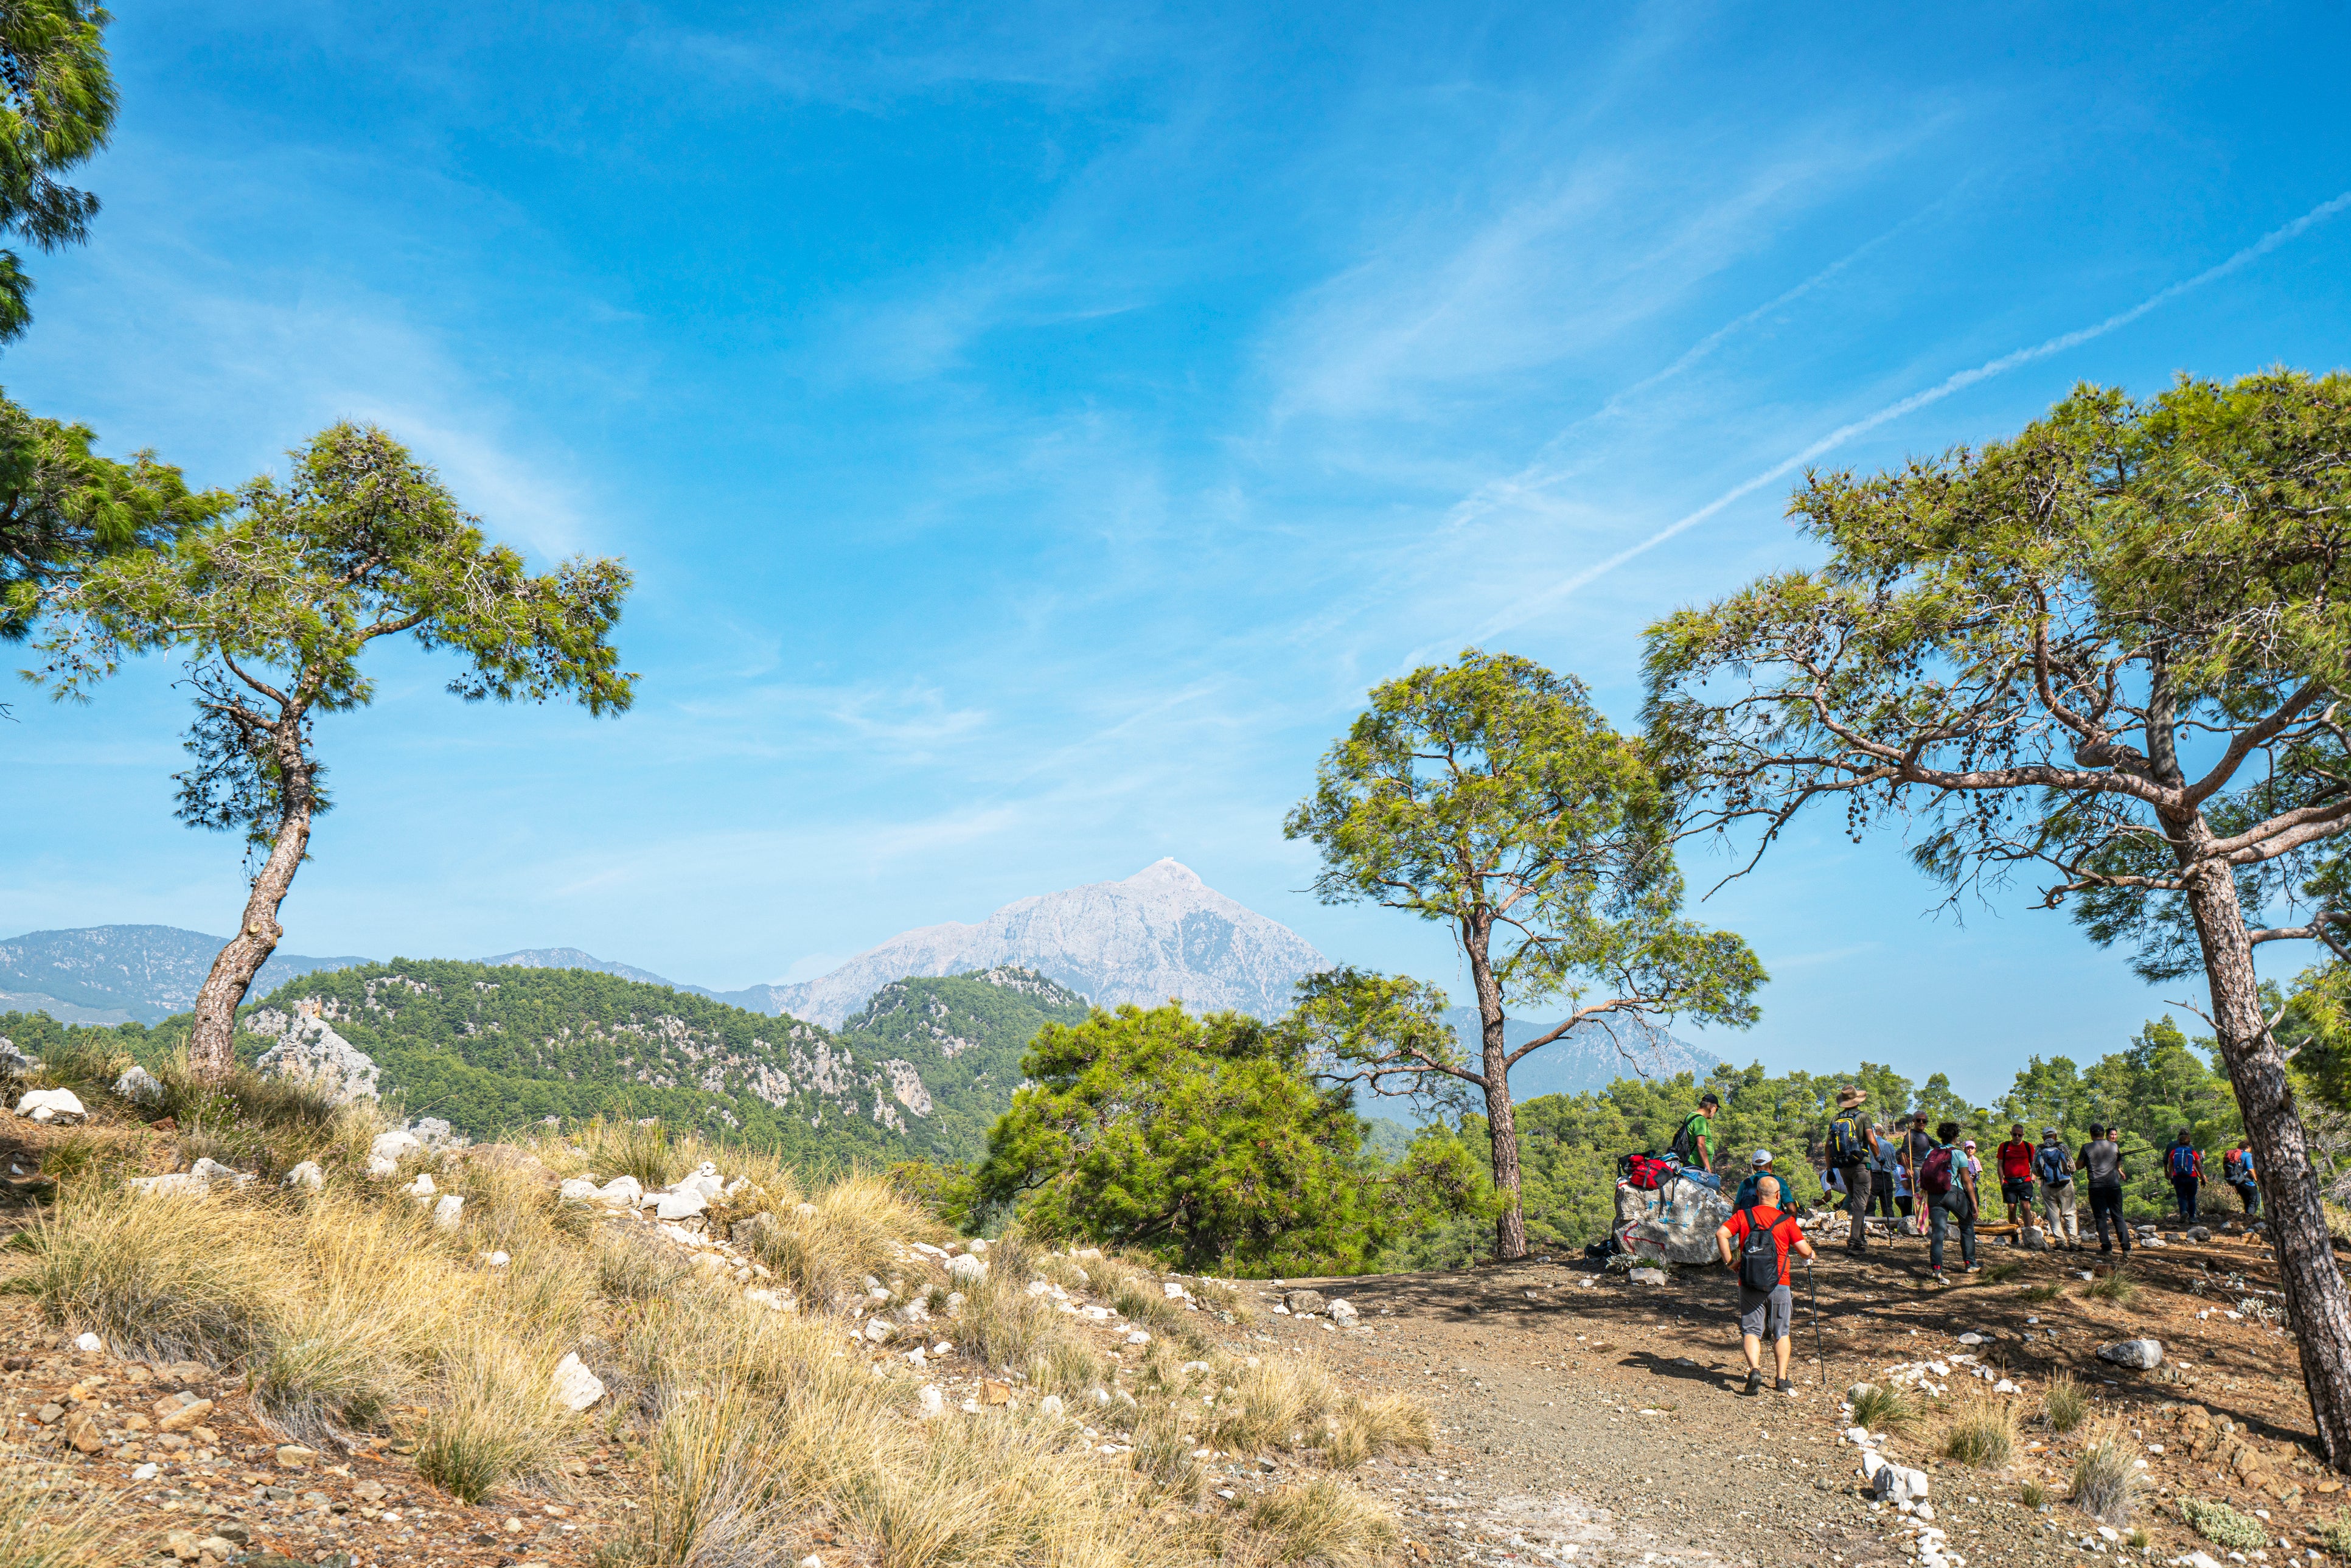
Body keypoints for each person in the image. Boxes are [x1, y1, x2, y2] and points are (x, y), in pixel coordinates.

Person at [1715, 1173, 1815, 1396]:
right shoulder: (1786, 1221)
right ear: (1779, 1196)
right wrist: (1811, 1253)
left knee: (1751, 1329)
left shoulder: (1743, 1216)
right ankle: (1781, 1379)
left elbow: (1721, 1234)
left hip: (1749, 1280)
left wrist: (1731, 1262)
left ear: (1758, 1194)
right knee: (1781, 1331)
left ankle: (1755, 1370)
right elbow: (1804, 1251)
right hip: (1780, 1282)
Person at [1923, 1120, 1979, 1280]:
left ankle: (1937, 1269)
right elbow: (1967, 1181)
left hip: (1935, 1195)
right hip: (1953, 1193)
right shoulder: (1959, 1154)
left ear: (1941, 1136)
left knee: (1938, 1232)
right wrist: (1974, 1203)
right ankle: (1970, 1263)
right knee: (1967, 1225)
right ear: (1955, 1136)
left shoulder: (1931, 1153)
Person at [1827, 1085, 1879, 1253]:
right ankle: (1854, 1242)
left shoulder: (1836, 1118)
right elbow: (1871, 1140)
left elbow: (1827, 1147)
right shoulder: (1863, 1116)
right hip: (1860, 1165)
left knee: (1856, 1202)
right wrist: (1879, 1157)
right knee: (1860, 1205)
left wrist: (1829, 1170)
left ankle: (1860, 1237)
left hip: (1843, 1167)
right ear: (1857, 1100)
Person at [2081, 1123, 2130, 1255]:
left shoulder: (2086, 1147)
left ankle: (2107, 1248)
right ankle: (2126, 1247)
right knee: (2118, 1216)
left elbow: (2079, 1166)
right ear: (2104, 1134)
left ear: (2091, 1134)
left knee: (2101, 1217)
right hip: (2114, 1185)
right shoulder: (2114, 1146)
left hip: (2096, 1186)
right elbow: (2117, 1161)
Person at [2036, 1127, 2080, 1249]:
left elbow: (2035, 1169)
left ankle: (2060, 1242)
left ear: (2043, 1138)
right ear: (2055, 1136)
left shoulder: (2039, 1149)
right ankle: (2074, 1242)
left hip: (2048, 1186)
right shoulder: (2062, 1147)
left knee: (2053, 1216)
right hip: (2065, 1184)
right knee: (2070, 1213)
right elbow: (2072, 1167)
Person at [1670, 1092, 1723, 1190]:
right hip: (1696, 1165)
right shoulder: (1700, 1120)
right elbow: (1701, 1144)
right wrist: (1708, 1169)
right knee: (1714, 1186)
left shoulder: (1691, 1116)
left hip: (1690, 1164)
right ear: (1711, 1107)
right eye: (1717, 1109)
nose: (1716, 1112)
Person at [1996, 1123, 2038, 1227]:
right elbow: (2000, 1165)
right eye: (2015, 1134)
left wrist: (2033, 1179)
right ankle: (2013, 1234)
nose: (2017, 1137)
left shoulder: (2028, 1147)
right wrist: (2002, 1181)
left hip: (2025, 1181)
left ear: (2023, 1135)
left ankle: (2028, 1232)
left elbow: (2034, 1165)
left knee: (2026, 1205)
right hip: (2009, 1182)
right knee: (2011, 1207)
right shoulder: (2004, 1146)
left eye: (2020, 1135)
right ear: (2011, 1134)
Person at [2165, 1129, 2204, 1223]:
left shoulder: (2174, 1152)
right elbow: (2199, 1167)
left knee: (2181, 1196)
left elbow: (2170, 1165)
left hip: (2178, 1176)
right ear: (2189, 1142)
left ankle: (2183, 1212)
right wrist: (2202, 1178)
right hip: (2192, 1177)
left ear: (2179, 1142)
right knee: (2191, 1197)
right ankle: (2192, 1217)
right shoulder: (2193, 1152)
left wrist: (2171, 1177)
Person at [2223, 1137, 2260, 1216]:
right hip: (2248, 1183)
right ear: (2248, 1147)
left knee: (2246, 1202)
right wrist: (2257, 1179)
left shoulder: (2236, 1156)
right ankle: (2250, 1221)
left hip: (2238, 1182)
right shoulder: (2248, 1155)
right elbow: (2250, 1169)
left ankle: (2247, 1220)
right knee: (2253, 1202)